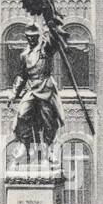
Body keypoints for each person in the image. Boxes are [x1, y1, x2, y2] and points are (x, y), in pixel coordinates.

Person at [7, 22, 64, 156]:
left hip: (46, 88)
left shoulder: (46, 49)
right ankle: (23, 143)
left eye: (33, 36)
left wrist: (51, 22)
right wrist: (14, 93)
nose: (31, 39)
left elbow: (55, 39)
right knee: (22, 114)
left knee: (48, 119)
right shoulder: (25, 54)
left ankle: (48, 147)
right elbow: (22, 75)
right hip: (32, 88)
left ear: (39, 36)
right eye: (28, 36)